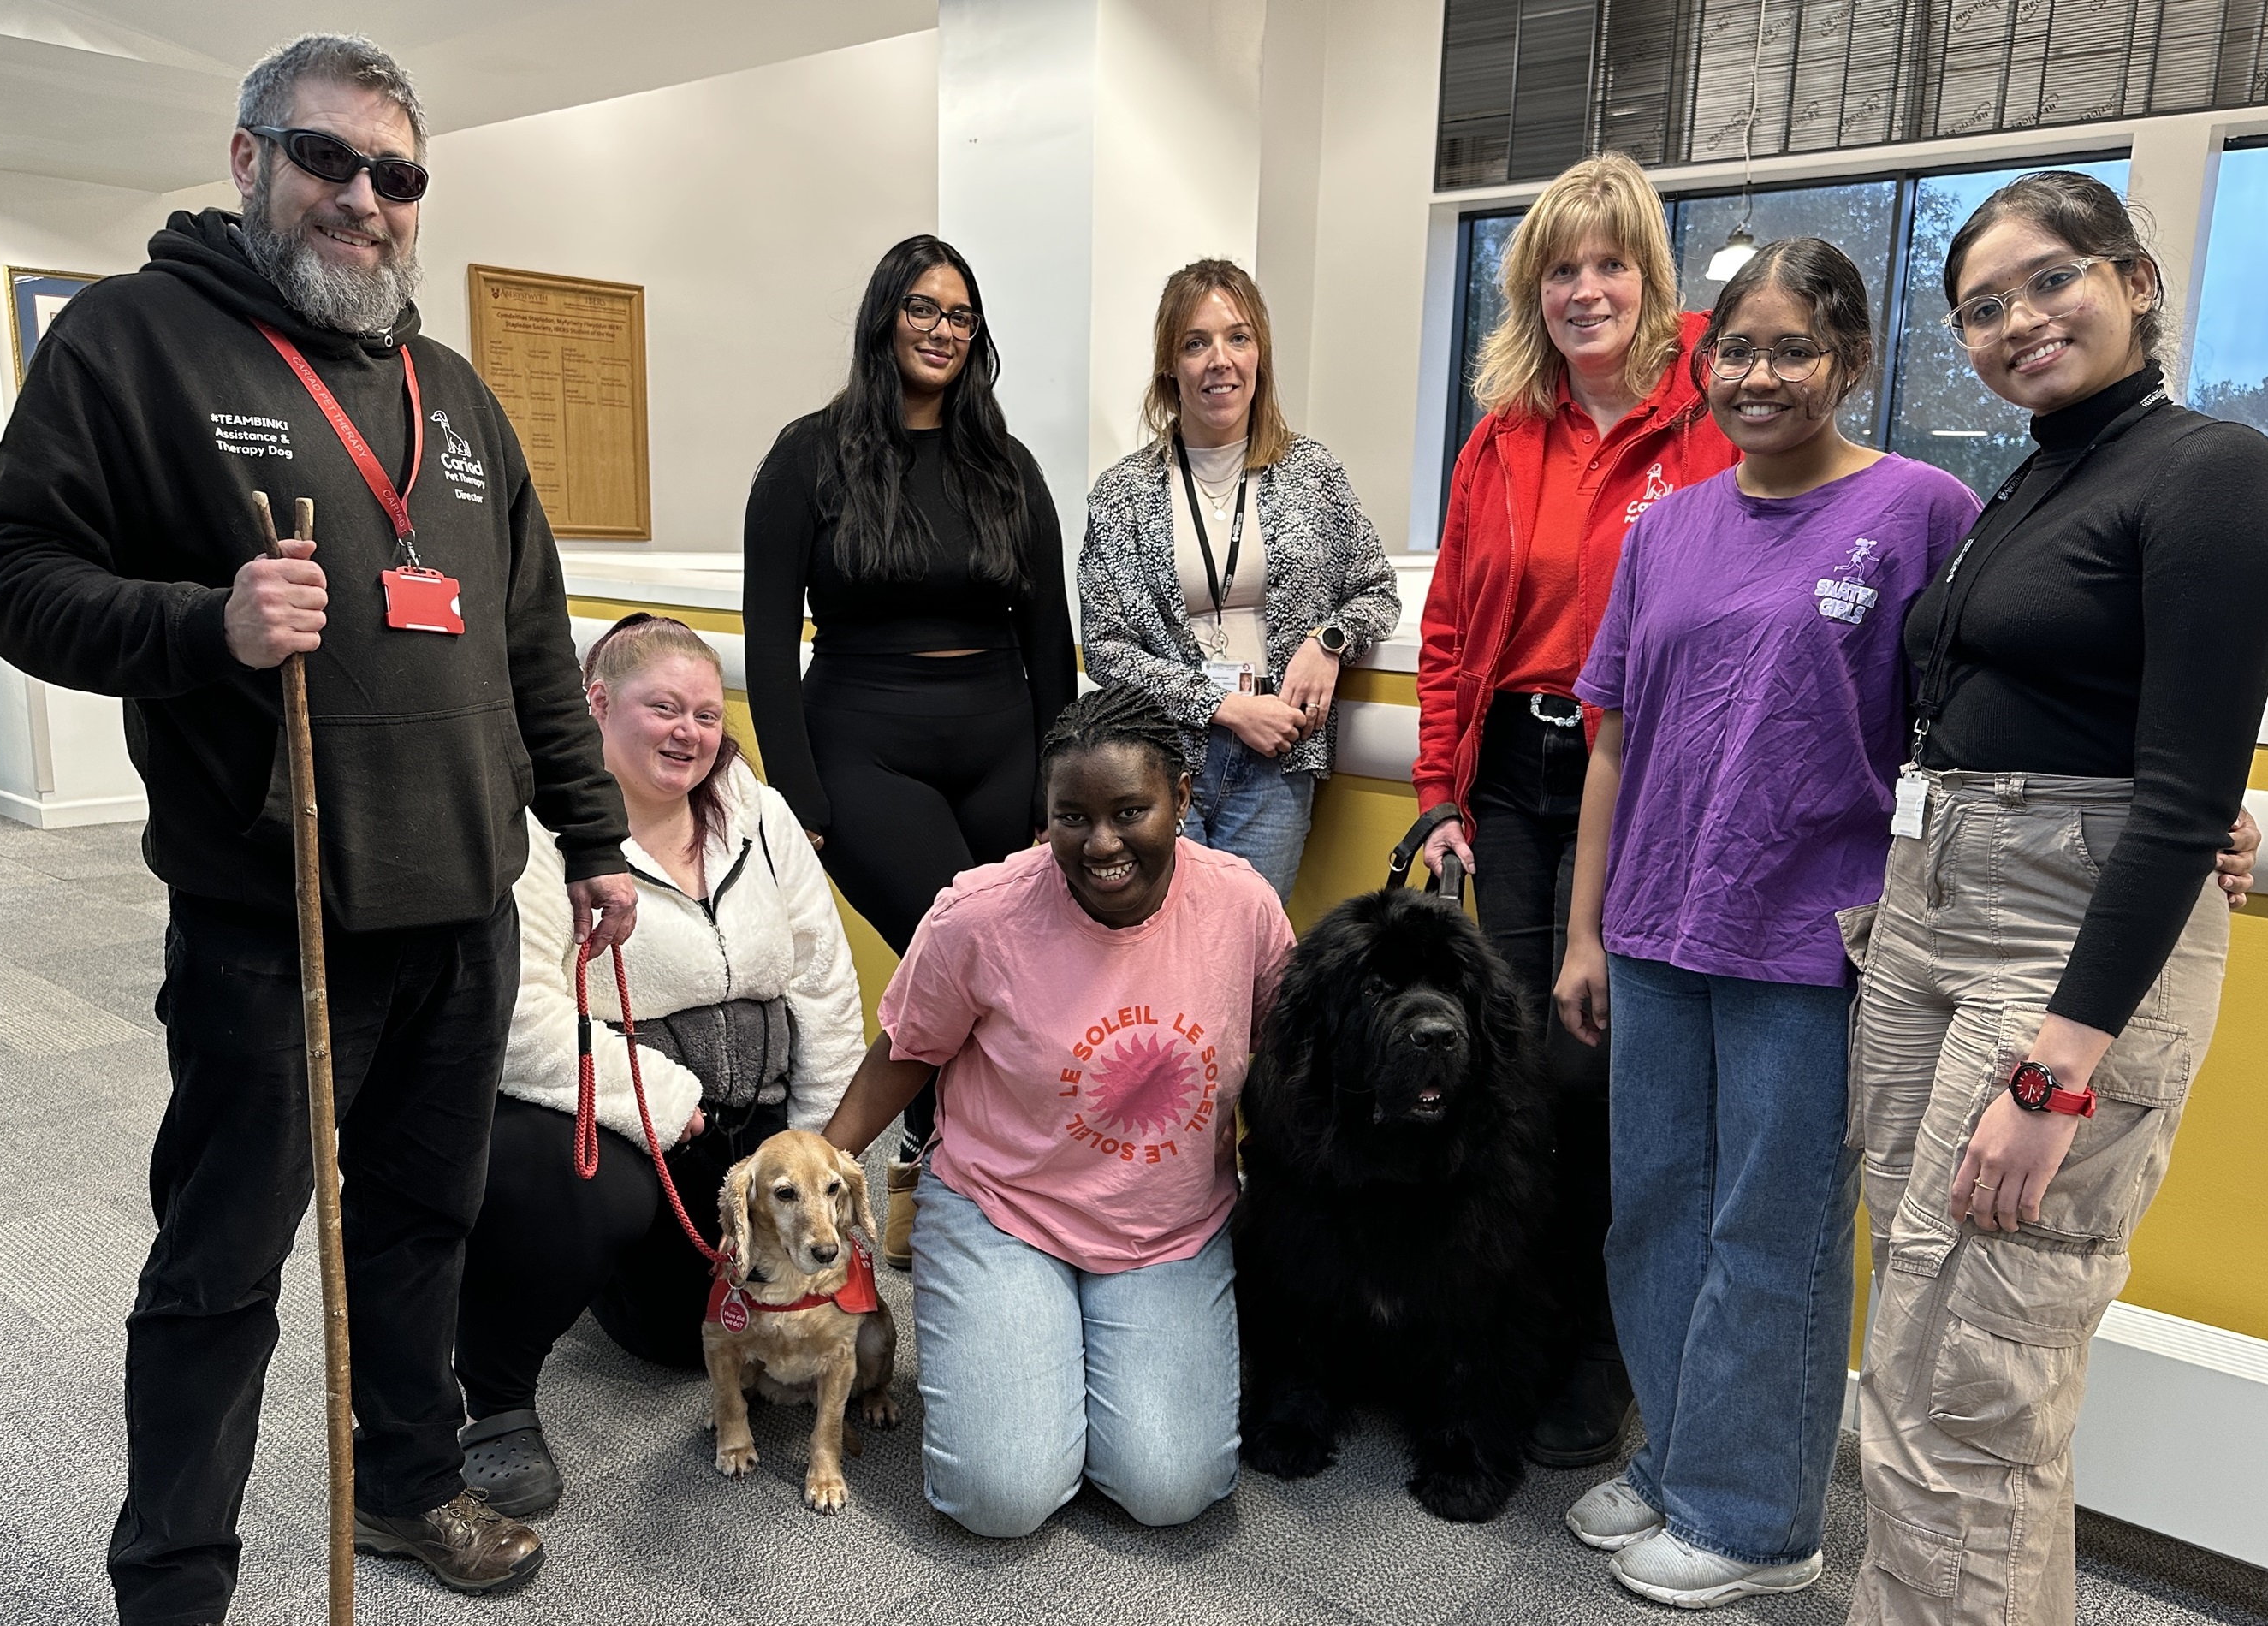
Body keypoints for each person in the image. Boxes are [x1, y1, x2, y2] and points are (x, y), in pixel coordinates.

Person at [0, 34, 634, 1620]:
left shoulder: (449, 391)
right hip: (275, 917)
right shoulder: (135, 344)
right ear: (251, 157)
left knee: (422, 1232)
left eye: (396, 176)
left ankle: (407, 1486)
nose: (365, 199)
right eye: (328, 160)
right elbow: (10, 572)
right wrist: (210, 625)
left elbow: (533, 637)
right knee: (220, 1271)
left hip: (463, 908)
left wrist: (594, 837)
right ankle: (175, 1580)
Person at [1845, 173, 2268, 1623]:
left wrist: (2064, 1063)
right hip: (1932, 911)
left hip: (2060, 964)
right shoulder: (2033, 480)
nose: (2020, 323)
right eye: (1984, 307)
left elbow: (2176, 798)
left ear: (2137, 281)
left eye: (2053, 282)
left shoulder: (2215, 472)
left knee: (1969, 1382)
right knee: (1924, 1357)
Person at [1553, 241, 1982, 1606]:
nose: (1760, 376)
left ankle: (1756, 1520)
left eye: (1794, 350)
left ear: (1850, 362)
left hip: (1811, 939)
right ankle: (1679, 1462)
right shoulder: (1666, 526)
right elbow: (1613, 744)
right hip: (1656, 926)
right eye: (1737, 350)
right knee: (1655, 1214)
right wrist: (1583, 934)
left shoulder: (1923, 510)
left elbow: (1995, 713)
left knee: (1774, 1230)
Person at [1414, 151, 1739, 1467]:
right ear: (1531, 289)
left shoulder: (1714, 410)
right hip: (1520, 774)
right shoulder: (1500, 437)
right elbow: (1450, 629)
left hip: (1654, 773)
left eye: (1611, 264)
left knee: (1614, 1070)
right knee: (1525, 1067)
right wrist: (1440, 793)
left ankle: (1603, 1360)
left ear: (1649, 278)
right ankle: (1526, 1327)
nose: (1586, 289)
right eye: (1562, 268)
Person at [821, 686, 1295, 1538]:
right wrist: (821, 1167)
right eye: (1071, 816)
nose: (1101, 843)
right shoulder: (980, 914)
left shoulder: (1244, 906)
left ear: (1182, 798)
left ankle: (1078, 1358)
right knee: (1000, 1499)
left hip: (1169, 1228)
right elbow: (906, 1050)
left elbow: (1296, 1048)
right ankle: (1032, 1343)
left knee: (1172, 1490)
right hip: (1006, 1210)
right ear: (1043, 815)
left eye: (1131, 811)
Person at [451, 614, 864, 1517]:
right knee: (606, 1235)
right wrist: (664, 1098)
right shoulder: (537, 825)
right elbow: (516, 1016)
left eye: (708, 715)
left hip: (758, 1139)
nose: (690, 733)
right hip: (631, 1131)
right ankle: (495, 1397)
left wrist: (821, 1147)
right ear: (596, 704)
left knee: (715, 1335)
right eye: (663, 707)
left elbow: (823, 975)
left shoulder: (758, 809)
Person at [744, 234, 1075, 1269]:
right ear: (885, 319)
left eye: (961, 316)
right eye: (924, 309)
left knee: (1007, 971)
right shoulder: (810, 455)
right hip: (861, 745)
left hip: (1001, 745)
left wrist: (1056, 785)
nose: (942, 330)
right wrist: (796, 792)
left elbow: (1049, 640)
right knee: (965, 960)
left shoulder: (1006, 466)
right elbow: (763, 636)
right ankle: (945, 1159)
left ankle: (945, 1168)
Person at [1078, 258, 1401, 901]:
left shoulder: (1313, 473)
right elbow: (1106, 645)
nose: (1219, 360)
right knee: (1164, 954)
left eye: (1238, 337)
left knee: (1252, 959)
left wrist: (1329, 639)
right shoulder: (1122, 491)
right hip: (1159, 762)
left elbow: (1378, 590)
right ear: (1171, 365)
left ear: (1261, 355)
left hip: (1277, 763)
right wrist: (1223, 706)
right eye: (1195, 343)